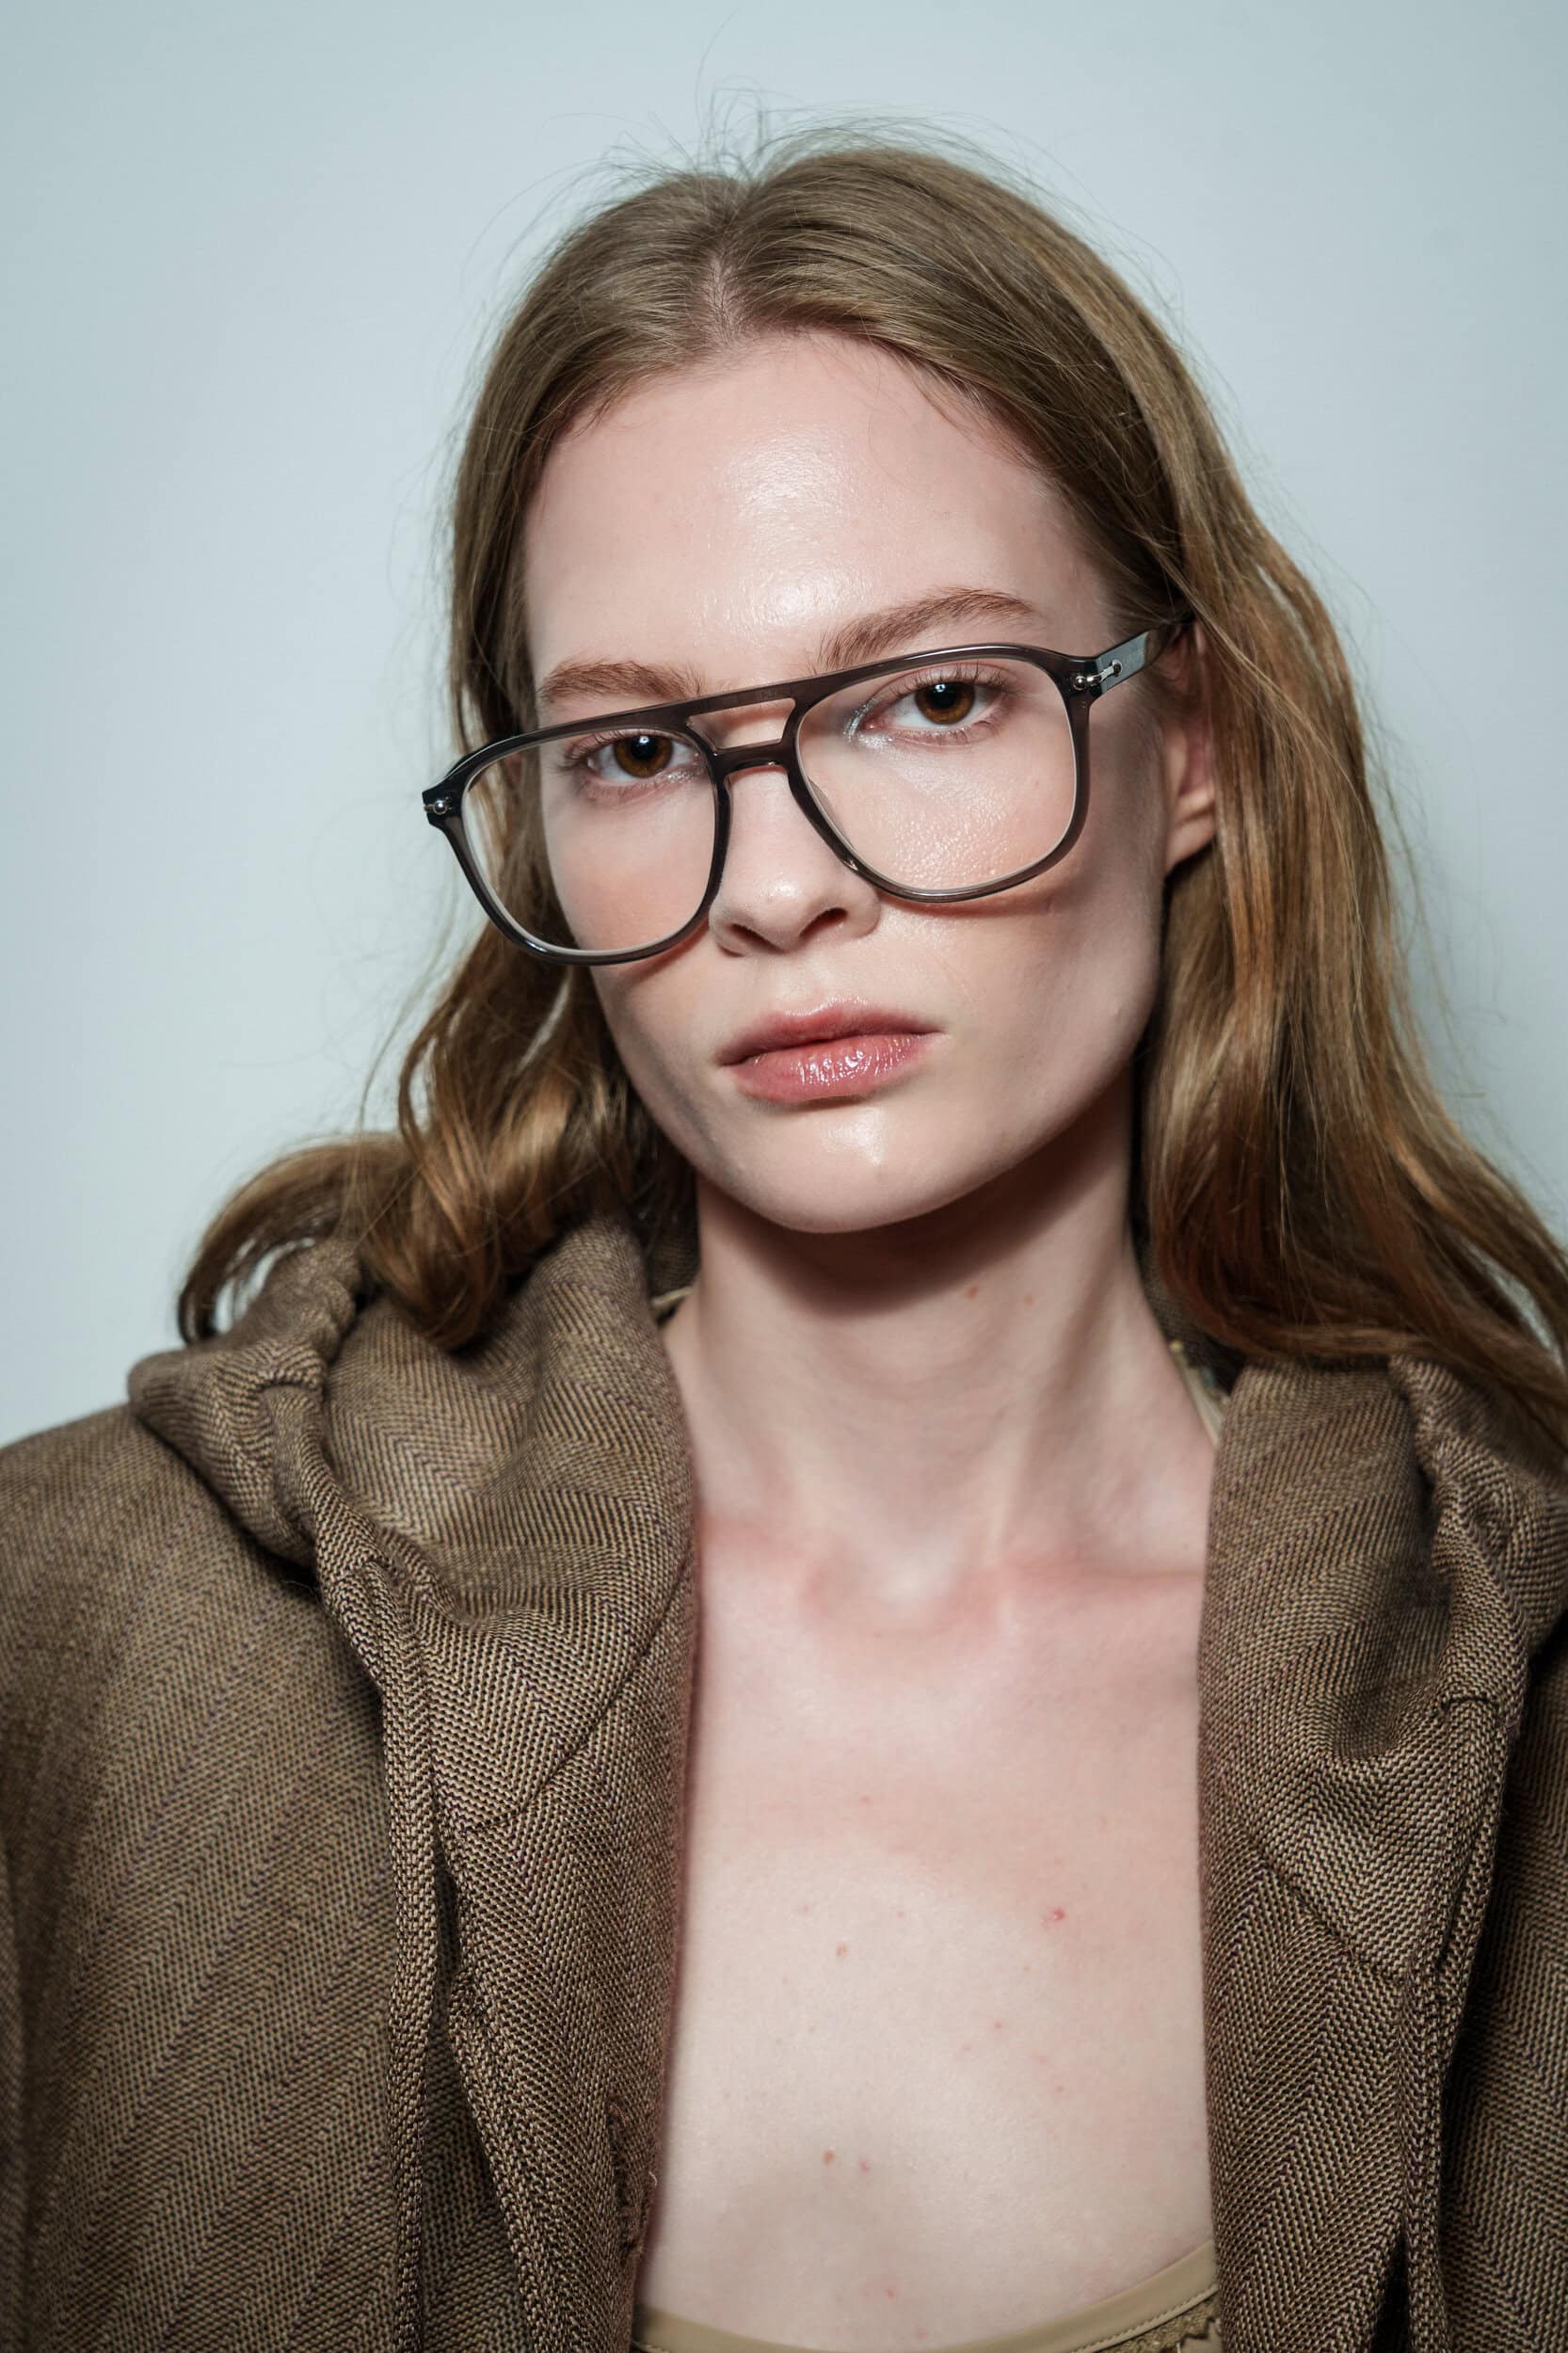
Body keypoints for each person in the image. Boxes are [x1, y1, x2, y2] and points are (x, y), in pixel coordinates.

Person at [2, 129, 1566, 2353]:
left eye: (929, 696)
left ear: (1190, 745)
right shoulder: (88, 1623)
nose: (775, 885)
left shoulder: (1510, 1676)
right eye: (641, 747)